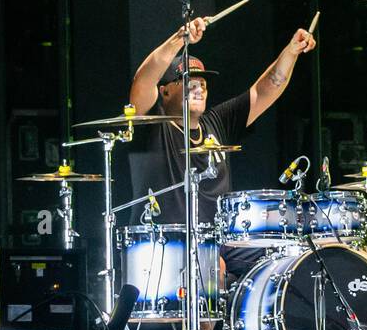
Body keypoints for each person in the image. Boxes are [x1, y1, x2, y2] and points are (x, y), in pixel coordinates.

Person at [127, 15, 316, 279]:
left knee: (289, 254)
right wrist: (179, 39)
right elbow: (143, 81)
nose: (199, 89)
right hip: (169, 242)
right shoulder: (153, 125)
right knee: (212, 265)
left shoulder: (216, 122)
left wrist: (291, 51)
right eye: (189, 83)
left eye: (203, 84)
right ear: (165, 91)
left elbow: (267, 88)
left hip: (222, 237)